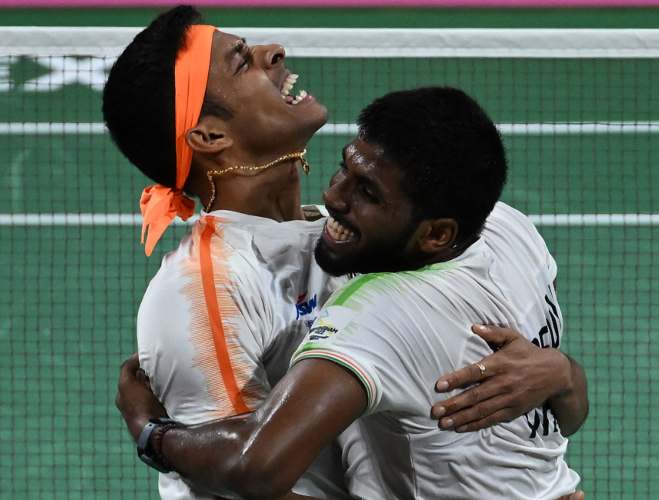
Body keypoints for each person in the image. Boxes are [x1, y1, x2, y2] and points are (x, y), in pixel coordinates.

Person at [116, 85, 588, 499]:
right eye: (345, 168)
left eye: (369, 193)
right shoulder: (509, 228)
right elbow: (565, 417)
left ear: (437, 235)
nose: (336, 196)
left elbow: (255, 466)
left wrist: (150, 432)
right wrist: (563, 372)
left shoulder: (379, 314)